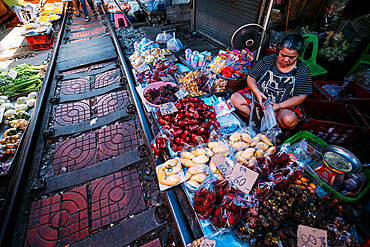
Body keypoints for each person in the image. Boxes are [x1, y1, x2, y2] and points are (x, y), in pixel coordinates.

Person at [230, 34, 312, 130]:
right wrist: (257, 92)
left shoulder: (302, 70)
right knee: (235, 99)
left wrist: (279, 106)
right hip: (260, 98)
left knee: (289, 120)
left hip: (283, 104)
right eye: (283, 55)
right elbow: (251, 77)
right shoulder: (268, 60)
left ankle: (274, 129)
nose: (286, 60)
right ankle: (257, 123)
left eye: (292, 57)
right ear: (278, 51)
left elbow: (301, 96)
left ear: (298, 55)